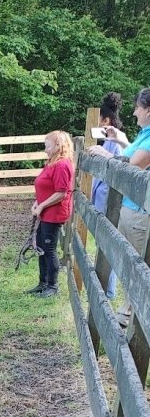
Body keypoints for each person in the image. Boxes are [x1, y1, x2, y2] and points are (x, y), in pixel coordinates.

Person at [87, 87, 150, 326]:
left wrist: (106, 155)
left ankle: (131, 316)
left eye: (138, 108)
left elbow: (134, 167)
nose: (134, 112)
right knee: (130, 263)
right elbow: (133, 154)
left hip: (139, 212)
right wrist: (121, 139)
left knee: (137, 266)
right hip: (130, 207)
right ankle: (128, 312)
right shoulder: (145, 134)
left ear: (149, 110)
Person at [25, 130, 75, 298]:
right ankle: (42, 283)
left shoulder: (62, 165)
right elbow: (45, 187)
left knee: (48, 248)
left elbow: (62, 192)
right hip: (45, 212)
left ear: (58, 146)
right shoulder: (51, 163)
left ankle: (52, 286)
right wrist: (37, 203)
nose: (45, 149)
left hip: (54, 214)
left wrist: (42, 205)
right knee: (40, 246)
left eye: (48, 146)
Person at [90, 92, 123, 299]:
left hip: (109, 205)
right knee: (103, 245)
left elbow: (120, 171)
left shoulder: (116, 144)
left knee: (108, 246)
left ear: (106, 121)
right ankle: (105, 288)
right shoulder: (108, 143)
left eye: (97, 121)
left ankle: (108, 291)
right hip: (102, 203)